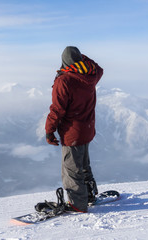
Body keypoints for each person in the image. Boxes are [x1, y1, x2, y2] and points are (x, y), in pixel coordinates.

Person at [45, 46, 103, 213]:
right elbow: (98, 67)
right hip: (88, 128)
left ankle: (78, 204)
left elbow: (57, 109)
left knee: (71, 169)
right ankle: (89, 195)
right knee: (84, 163)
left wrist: (49, 130)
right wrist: (79, 57)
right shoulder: (91, 74)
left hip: (72, 132)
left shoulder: (64, 80)